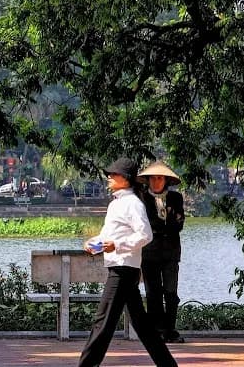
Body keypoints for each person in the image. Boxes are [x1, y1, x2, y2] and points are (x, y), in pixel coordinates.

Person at [78, 157, 178, 367]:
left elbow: (145, 235)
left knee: (102, 322)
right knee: (143, 326)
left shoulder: (132, 203)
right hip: (122, 268)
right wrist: (93, 242)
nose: (109, 177)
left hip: (123, 270)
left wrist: (118, 245)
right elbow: (109, 236)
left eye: (113, 174)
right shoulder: (118, 203)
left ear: (125, 179)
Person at [137, 160, 186, 343]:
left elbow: (179, 225)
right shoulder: (141, 198)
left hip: (171, 252)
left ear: (166, 180)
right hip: (149, 252)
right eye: (153, 178)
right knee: (153, 293)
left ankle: (170, 330)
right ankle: (155, 331)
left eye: (160, 178)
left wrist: (164, 225)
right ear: (148, 180)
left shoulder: (176, 198)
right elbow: (146, 225)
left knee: (171, 292)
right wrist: (167, 222)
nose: (157, 182)